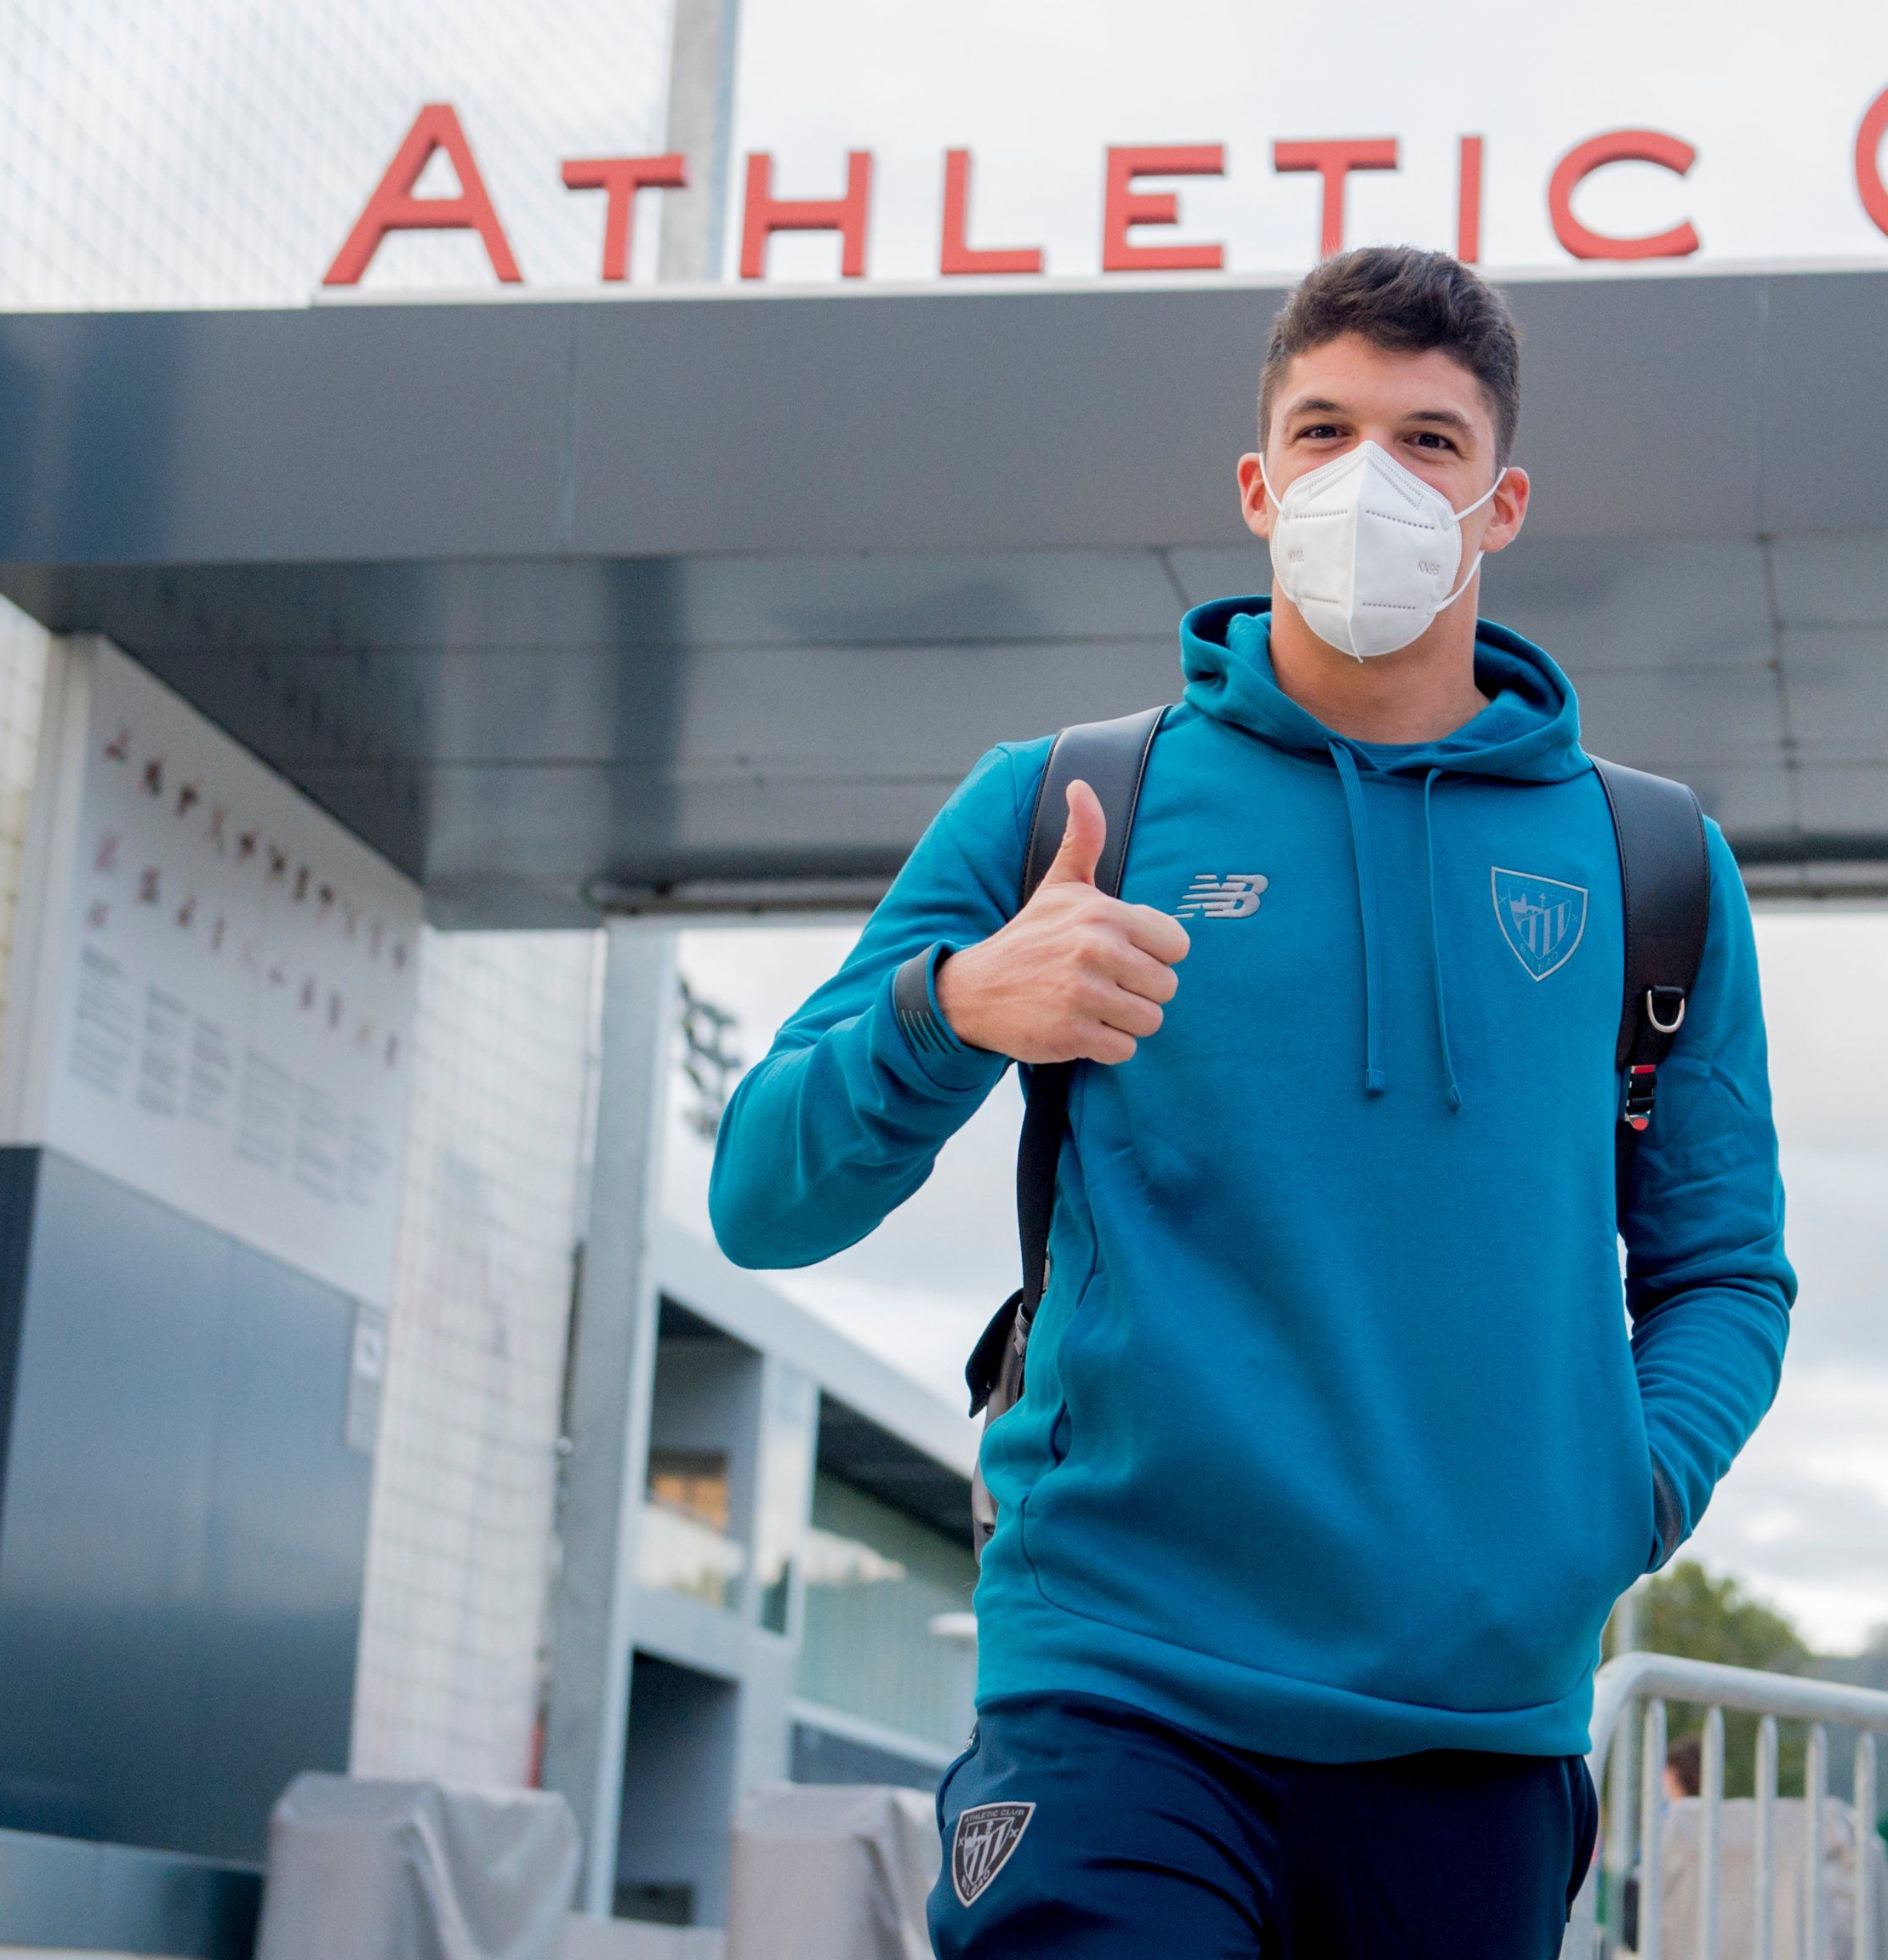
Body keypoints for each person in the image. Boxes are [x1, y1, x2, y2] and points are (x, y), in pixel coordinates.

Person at [710, 245, 1795, 1959]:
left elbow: (1724, 1268)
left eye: (1428, 443)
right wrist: (956, 1008)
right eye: (1324, 431)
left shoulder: (1646, 861)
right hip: (1116, 1693)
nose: (1371, 480)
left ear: (1502, 502)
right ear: (1257, 483)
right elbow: (761, 1199)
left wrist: (1618, 1493)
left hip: (1475, 1731)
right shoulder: (1071, 804)